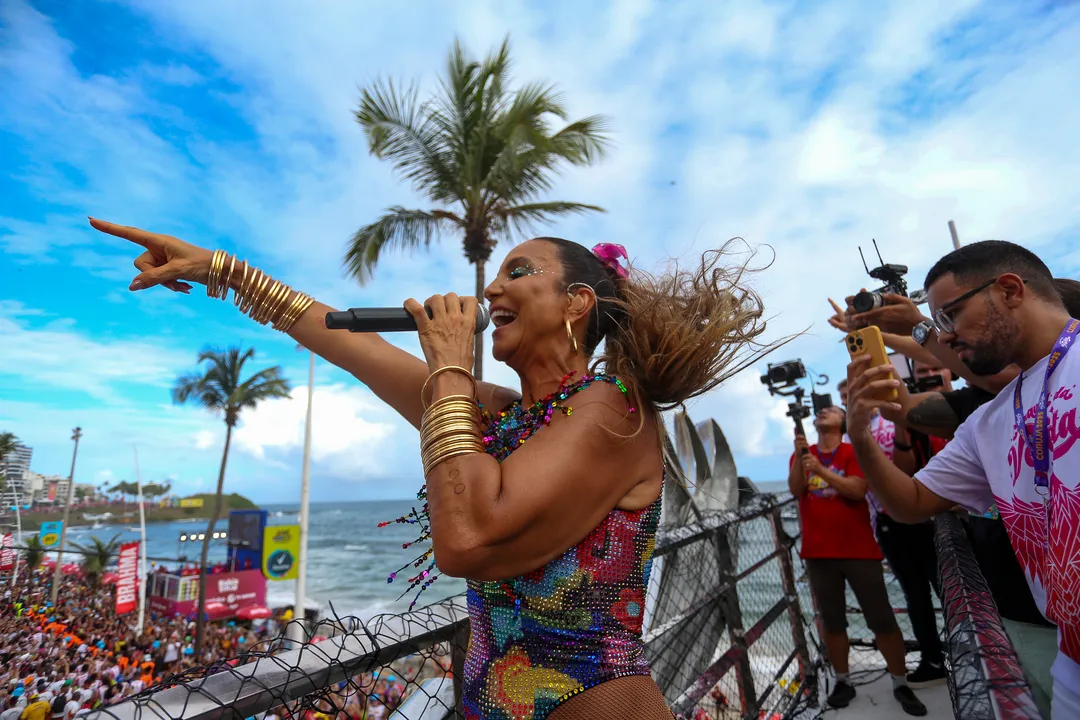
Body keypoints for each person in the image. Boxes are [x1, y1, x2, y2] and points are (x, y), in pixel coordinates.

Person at [88, 218, 774, 720]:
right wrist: (221, 269)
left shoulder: (611, 408)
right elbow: (345, 343)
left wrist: (449, 361)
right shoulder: (503, 414)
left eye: (518, 271)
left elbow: (469, 538)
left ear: (577, 303)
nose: (493, 286)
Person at [846, 240, 1080, 718]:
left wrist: (913, 327)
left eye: (949, 316)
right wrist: (860, 436)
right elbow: (910, 502)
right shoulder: (988, 420)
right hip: (1070, 666)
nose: (944, 336)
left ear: (1010, 289)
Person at [787, 406, 927, 715]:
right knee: (833, 621)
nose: (825, 411)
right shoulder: (803, 453)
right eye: (821, 410)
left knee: (882, 618)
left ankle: (900, 682)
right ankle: (843, 680)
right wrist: (800, 458)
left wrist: (821, 472)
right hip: (818, 552)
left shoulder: (854, 451)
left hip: (859, 549)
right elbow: (797, 489)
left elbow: (857, 489)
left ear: (844, 420)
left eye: (833, 410)